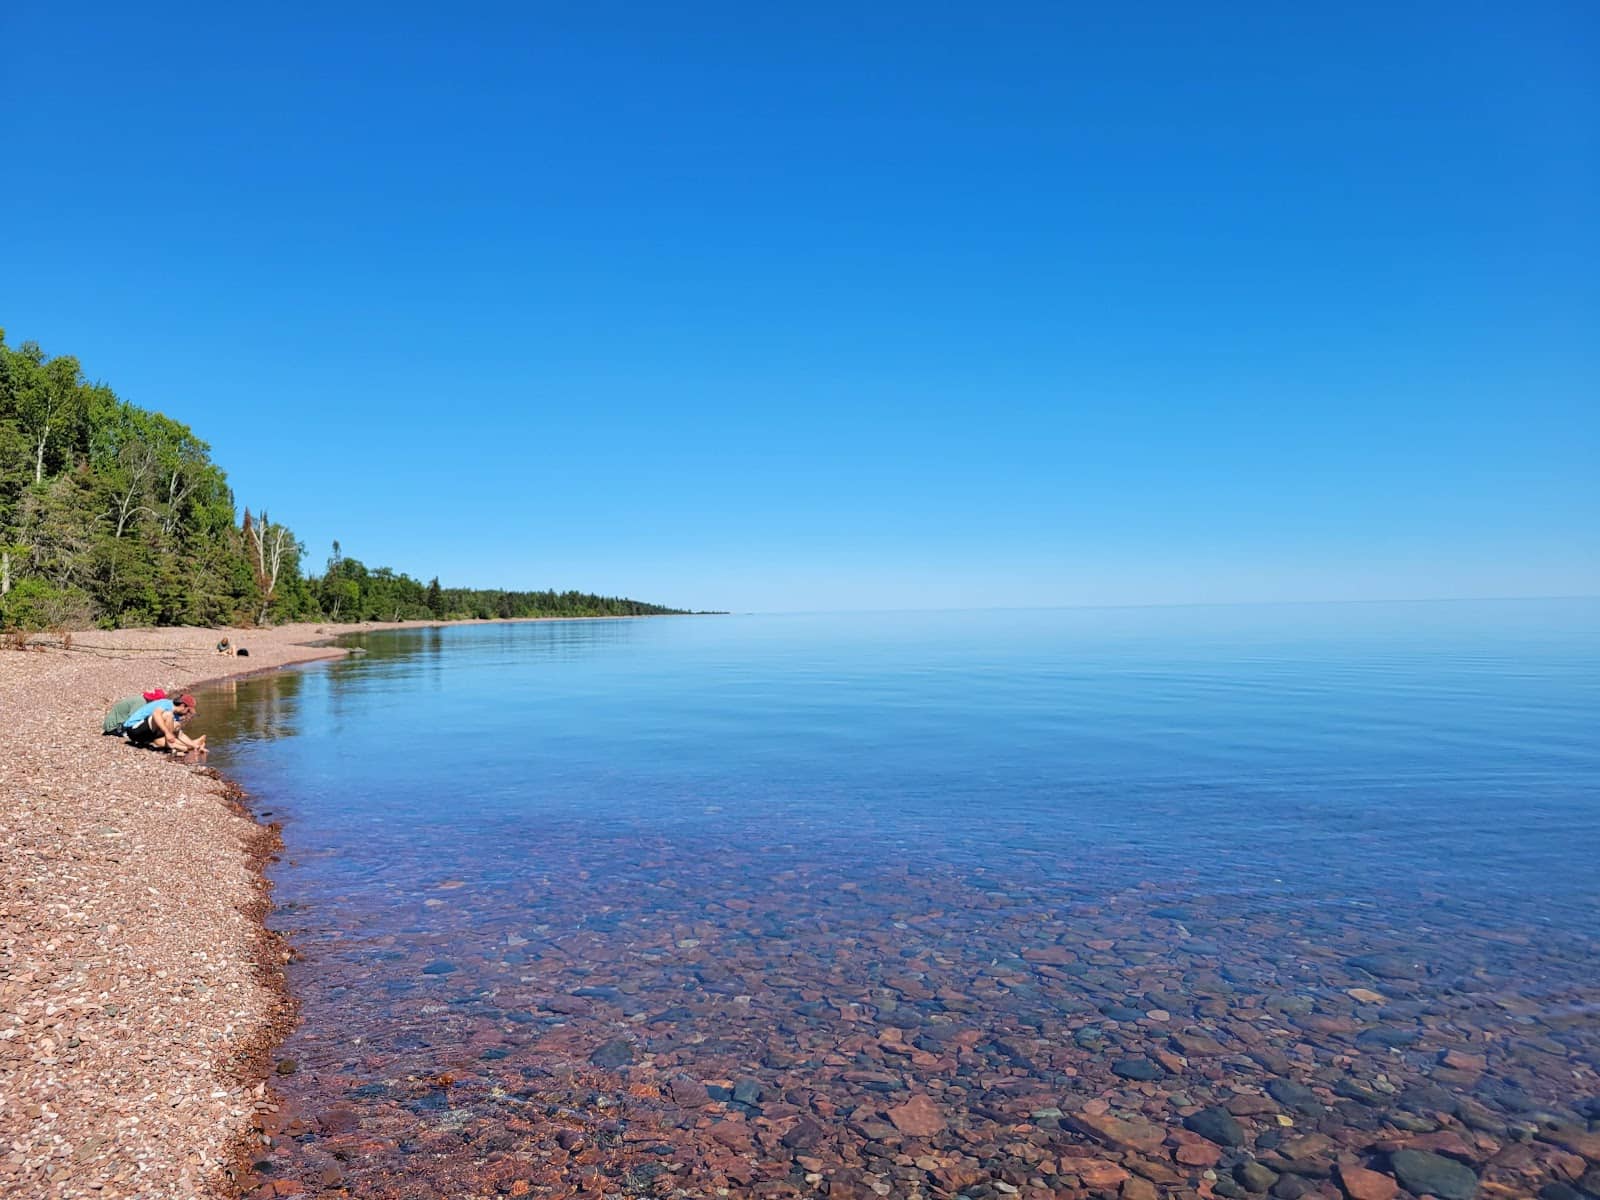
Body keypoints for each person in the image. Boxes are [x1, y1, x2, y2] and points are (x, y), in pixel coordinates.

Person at [122, 693, 207, 756]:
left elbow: (179, 734)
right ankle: (172, 747)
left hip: (147, 735)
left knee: (177, 728)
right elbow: (156, 714)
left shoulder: (175, 714)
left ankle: (191, 746)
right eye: (188, 711)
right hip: (133, 729)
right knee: (168, 716)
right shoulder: (166, 704)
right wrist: (167, 733)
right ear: (182, 705)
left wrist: (195, 746)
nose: (187, 714)